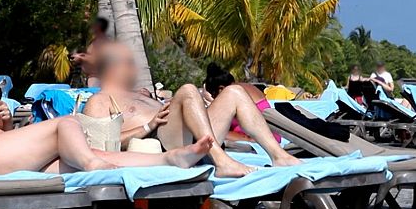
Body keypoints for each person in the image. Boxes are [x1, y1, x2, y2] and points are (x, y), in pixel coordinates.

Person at [0, 40, 212, 176]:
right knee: (65, 125)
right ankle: (92, 167)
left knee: (67, 162)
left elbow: (0, 141)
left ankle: (169, 160)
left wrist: (2, 121)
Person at [83, 44, 300, 178]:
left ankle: (279, 155)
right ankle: (222, 162)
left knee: (234, 91)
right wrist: (148, 125)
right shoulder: (99, 100)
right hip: (159, 144)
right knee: (187, 90)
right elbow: (101, 149)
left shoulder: (139, 92)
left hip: (192, 137)